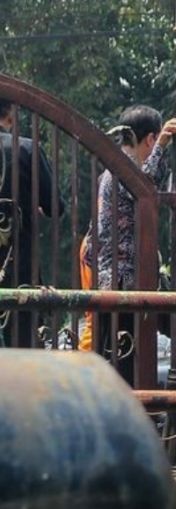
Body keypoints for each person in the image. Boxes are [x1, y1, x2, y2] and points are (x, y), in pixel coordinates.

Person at [80, 106, 176, 382]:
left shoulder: (114, 169)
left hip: (115, 281)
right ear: (149, 139)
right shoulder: (124, 169)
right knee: (122, 364)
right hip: (121, 282)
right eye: (154, 142)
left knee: (118, 357)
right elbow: (145, 186)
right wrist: (163, 145)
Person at [0, 98, 61, 347]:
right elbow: (55, 206)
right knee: (21, 352)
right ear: (11, 116)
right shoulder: (25, 150)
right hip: (18, 272)